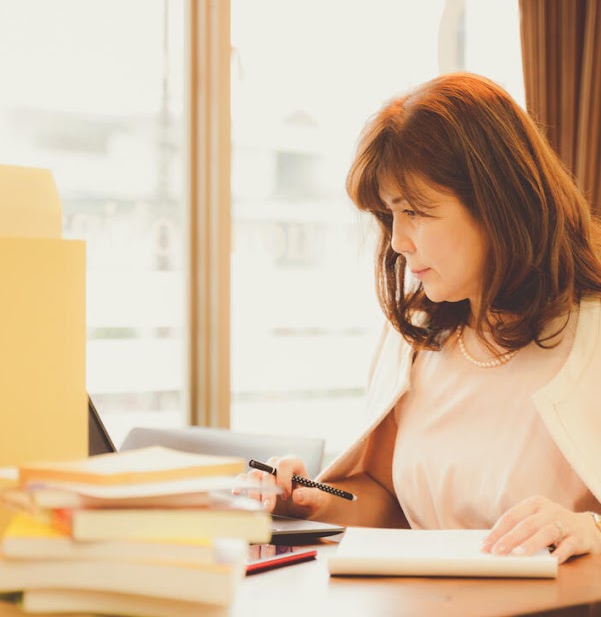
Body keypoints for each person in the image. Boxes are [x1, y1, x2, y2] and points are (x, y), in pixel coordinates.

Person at [243, 72, 601, 564]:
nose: (397, 241)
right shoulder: (419, 341)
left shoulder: (590, 339)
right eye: (391, 215)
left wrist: (590, 528)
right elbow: (387, 498)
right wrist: (312, 500)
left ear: (497, 204)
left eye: (415, 211)